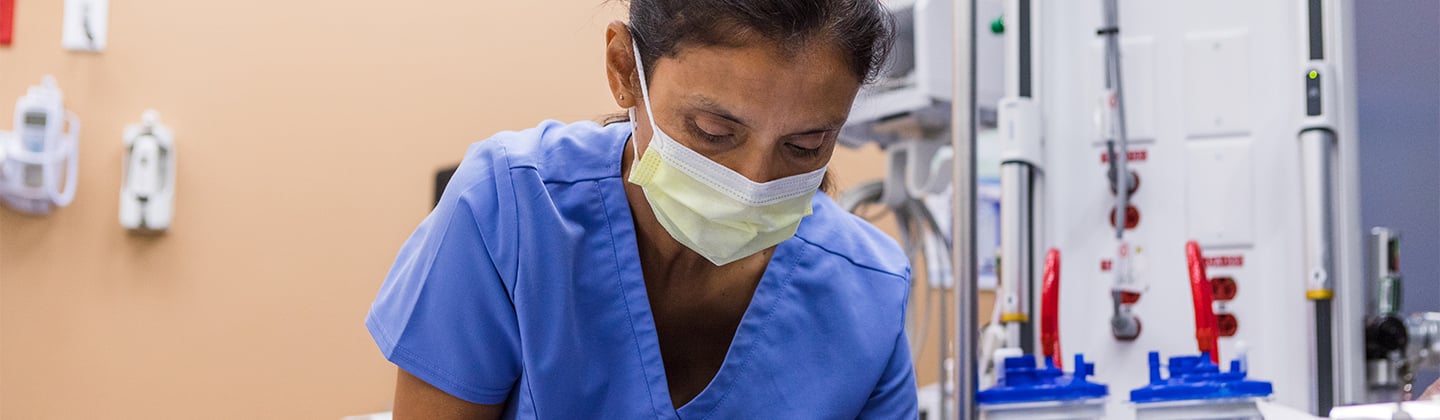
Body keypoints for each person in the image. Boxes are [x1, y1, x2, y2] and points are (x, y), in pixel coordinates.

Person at [365, 0, 916, 418]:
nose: (753, 182)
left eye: (806, 145)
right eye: (713, 132)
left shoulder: (869, 289)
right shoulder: (510, 210)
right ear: (625, 69)